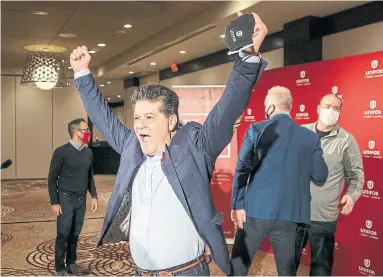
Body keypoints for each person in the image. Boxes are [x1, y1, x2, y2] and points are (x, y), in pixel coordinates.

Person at [69, 13, 268, 277]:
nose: (140, 125)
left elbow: (228, 107)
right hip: (142, 272)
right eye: (137, 117)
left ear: (171, 120)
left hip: (185, 272)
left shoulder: (196, 147)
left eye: (150, 118)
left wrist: (247, 55)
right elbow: (102, 117)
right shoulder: (132, 147)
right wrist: (82, 73)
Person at [230, 86, 328, 276]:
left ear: (271, 107)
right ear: (289, 107)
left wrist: (238, 204)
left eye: (266, 107)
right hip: (290, 215)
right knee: (286, 272)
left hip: (254, 211)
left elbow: (242, 168)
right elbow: (320, 176)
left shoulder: (256, 129)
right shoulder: (310, 137)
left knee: (238, 268)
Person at [296, 94, 364, 276]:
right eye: (327, 106)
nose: (331, 111)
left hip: (324, 217)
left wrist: (352, 195)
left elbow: (356, 175)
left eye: (336, 108)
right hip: (294, 213)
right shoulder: (300, 133)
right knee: (287, 265)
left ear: (340, 113)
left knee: (321, 268)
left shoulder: (347, 141)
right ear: (318, 108)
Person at [48, 118, 98, 276]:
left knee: (75, 234)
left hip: (81, 199)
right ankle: (60, 268)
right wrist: (54, 202)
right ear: (76, 132)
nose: (88, 133)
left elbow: (89, 175)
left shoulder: (88, 152)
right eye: (85, 130)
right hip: (65, 198)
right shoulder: (61, 152)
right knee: (63, 234)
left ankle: (71, 263)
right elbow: (51, 179)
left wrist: (94, 196)